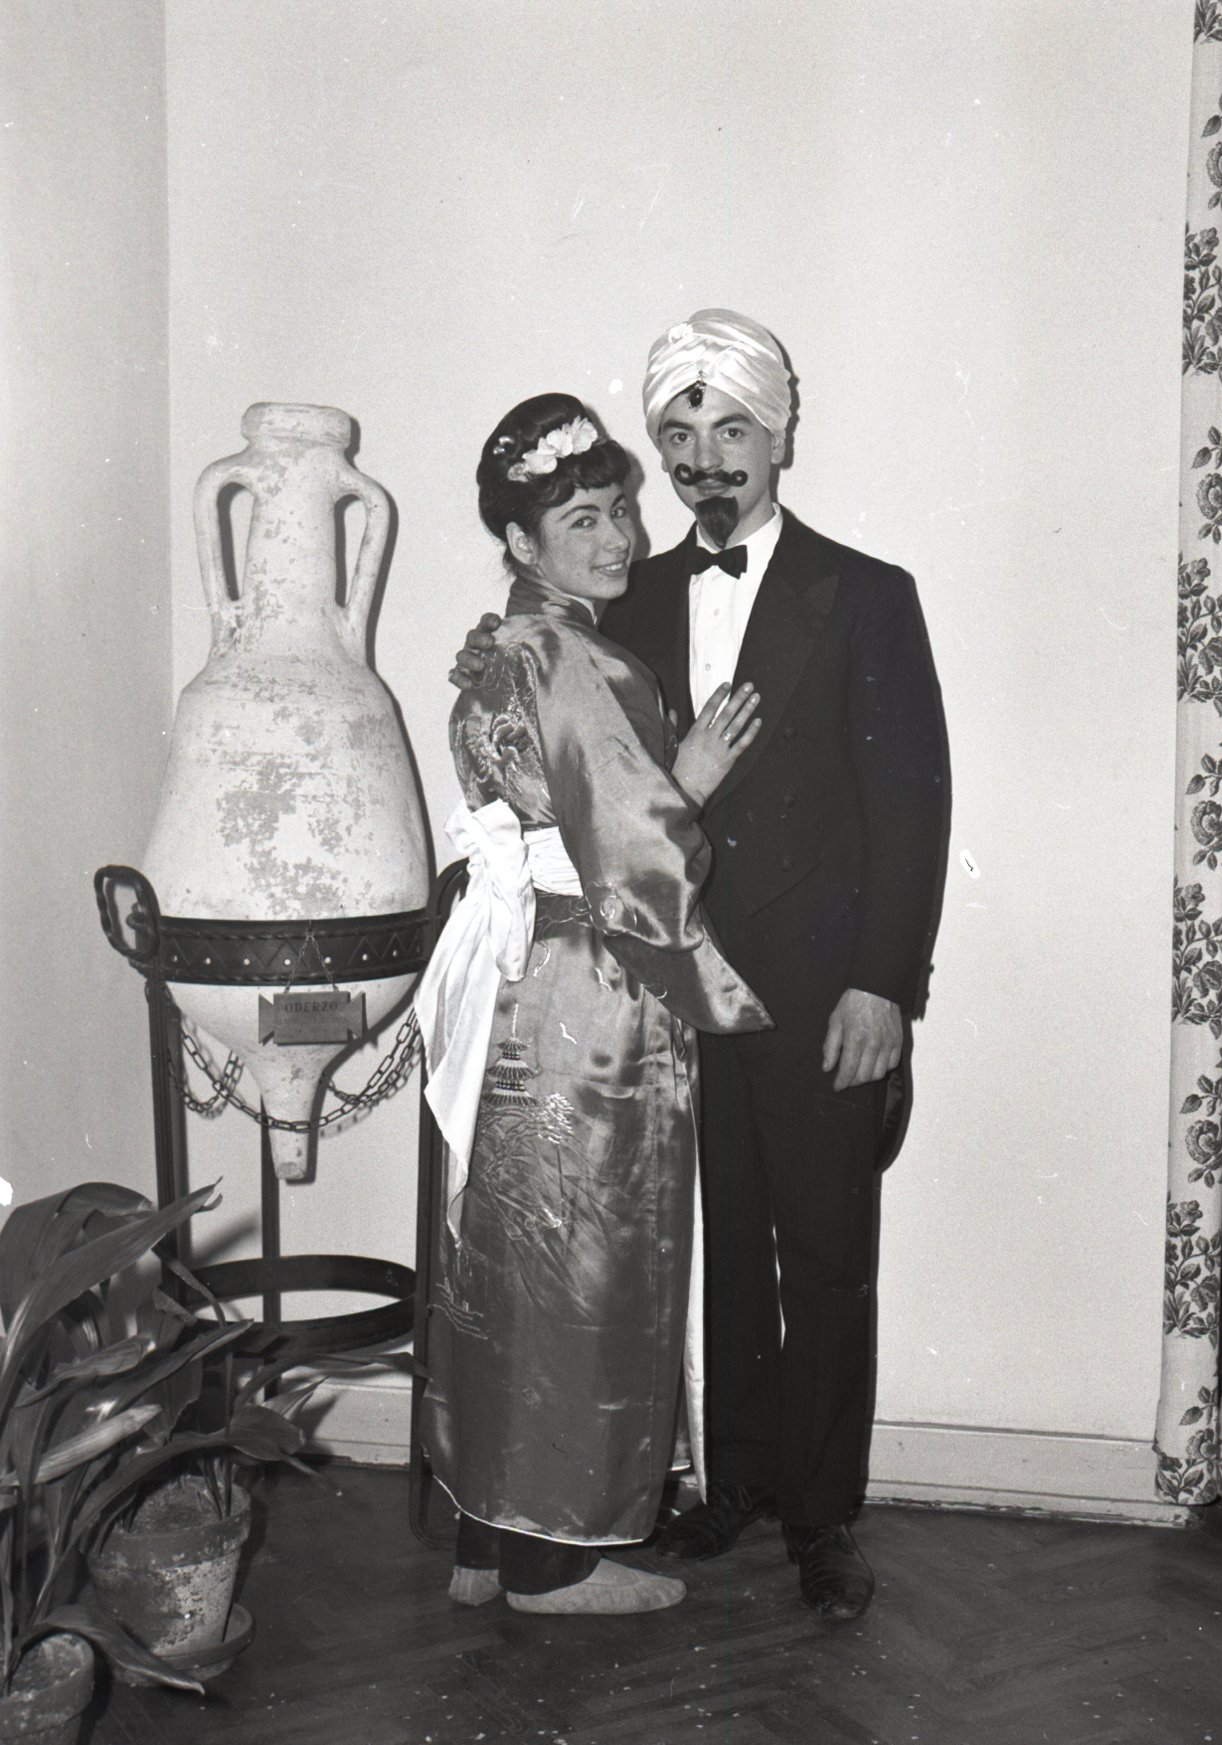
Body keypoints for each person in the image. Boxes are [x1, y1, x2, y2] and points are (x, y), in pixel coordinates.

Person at [456, 311, 948, 1621]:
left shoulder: (868, 594)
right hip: (672, 986)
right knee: (714, 1243)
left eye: (731, 428)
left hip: (822, 988)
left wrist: (883, 985)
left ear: (780, 432)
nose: (704, 458)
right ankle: (734, 1482)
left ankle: (822, 1515)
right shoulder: (626, 594)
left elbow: (911, 804)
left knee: (825, 1254)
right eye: (678, 432)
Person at [416, 391, 771, 1616]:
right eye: (583, 519)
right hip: (586, 985)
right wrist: (691, 779)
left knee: (505, 1247)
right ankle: (553, 1557)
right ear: (522, 541)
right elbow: (636, 845)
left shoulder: (505, 644)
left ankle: (485, 1539)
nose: (618, 536)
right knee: (583, 1252)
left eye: (620, 508)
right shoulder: (575, 656)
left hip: (519, 980)